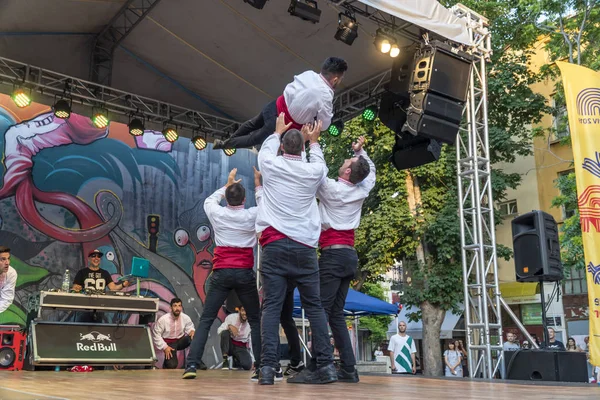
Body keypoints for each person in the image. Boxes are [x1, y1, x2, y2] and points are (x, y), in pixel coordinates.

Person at [255, 114, 335, 385]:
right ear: (302, 149)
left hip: (275, 246)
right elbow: (320, 163)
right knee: (315, 308)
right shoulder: (314, 171)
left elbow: (266, 150)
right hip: (304, 249)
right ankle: (325, 366)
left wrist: (277, 131)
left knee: (272, 308)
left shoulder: (270, 163)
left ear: (281, 147)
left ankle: (267, 369)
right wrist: (314, 142)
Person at [183, 168, 263, 380]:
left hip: (222, 273)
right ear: (244, 200)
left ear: (226, 198)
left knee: (207, 319)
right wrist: (258, 185)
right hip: (244, 273)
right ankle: (262, 366)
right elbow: (264, 204)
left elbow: (210, 199)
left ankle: (191, 366)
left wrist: (226, 185)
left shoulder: (216, 212)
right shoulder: (252, 214)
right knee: (255, 320)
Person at [308, 135, 374, 384]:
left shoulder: (334, 190)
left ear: (347, 171)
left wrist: (314, 143)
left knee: (321, 311)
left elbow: (317, 171)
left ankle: (319, 366)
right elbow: (371, 173)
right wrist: (362, 152)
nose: (347, 157)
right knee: (335, 313)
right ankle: (348, 368)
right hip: (349, 255)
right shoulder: (361, 189)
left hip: (333, 254)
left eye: (349, 158)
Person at [213, 57, 347, 150]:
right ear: (335, 79)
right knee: (254, 139)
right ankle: (225, 145)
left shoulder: (309, 74)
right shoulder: (326, 95)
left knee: (252, 124)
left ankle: (228, 141)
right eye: (340, 79)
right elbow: (323, 125)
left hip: (274, 106)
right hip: (281, 123)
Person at [72, 249, 129, 323]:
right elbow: (75, 288)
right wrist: (77, 289)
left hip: (99, 308)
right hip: (84, 308)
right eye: (93, 256)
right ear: (88, 259)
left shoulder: (105, 273)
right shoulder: (82, 272)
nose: (96, 258)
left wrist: (123, 285)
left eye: (98, 256)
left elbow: (113, 288)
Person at [152, 298, 196, 369]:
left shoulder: (185, 317)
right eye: (175, 306)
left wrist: (191, 331)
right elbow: (156, 334)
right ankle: (166, 366)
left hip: (180, 341)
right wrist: (164, 347)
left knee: (194, 337)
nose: (177, 308)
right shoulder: (163, 320)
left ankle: (196, 362)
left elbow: (190, 327)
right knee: (172, 365)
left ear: (181, 307)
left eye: (179, 306)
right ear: (171, 307)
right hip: (169, 344)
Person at [280, 285, 304, 376]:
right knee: (287, 320)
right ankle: (296, 362)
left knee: (269, 317)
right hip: (291, 280)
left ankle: (271, 364)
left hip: (275, 277)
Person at [0, 246, 17, 314]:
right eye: (3, 259)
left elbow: (6, 299)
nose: (7, 263)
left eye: (8, 259)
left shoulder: (11, 273)